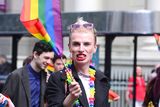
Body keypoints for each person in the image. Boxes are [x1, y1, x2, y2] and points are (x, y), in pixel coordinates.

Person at [46, 17, 110, 107]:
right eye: (76, 44)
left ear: (95, 47)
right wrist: (70, 98)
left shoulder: (101, 79)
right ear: (69, 47)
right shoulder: (58, 79)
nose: (81, 49)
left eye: (86, 44)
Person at [2, 41, 54, 107]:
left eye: (51, 59)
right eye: (46, 58)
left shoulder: (47, 76)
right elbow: (3, 102)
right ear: (35, 54)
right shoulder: (16, 75)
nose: (49, 62)